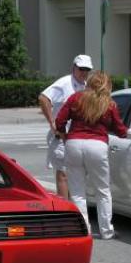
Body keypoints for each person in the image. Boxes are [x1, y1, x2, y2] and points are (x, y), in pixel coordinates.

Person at [55, 71, 127, 239]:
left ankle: (83, 229)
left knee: (78, 191)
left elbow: (60, 121)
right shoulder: (108, 104)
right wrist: (127, 134)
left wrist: (65, 136)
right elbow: (120, 130)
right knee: (102, 190)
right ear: (106, 85)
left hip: (73, 143)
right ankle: (106, 231)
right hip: (97, 145)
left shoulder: (75, 98)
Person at [39, 55, 93, 198]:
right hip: (62, 137)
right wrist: (52, 123)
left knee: (76, 175)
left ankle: (74, 207)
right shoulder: (64, 83)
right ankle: (65, 208)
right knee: (63, 174)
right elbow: (43, 98)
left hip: (79, 137)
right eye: (81, 69)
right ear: (74, 67)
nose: (84, 72)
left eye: (87, 69)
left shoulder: (86, 85)